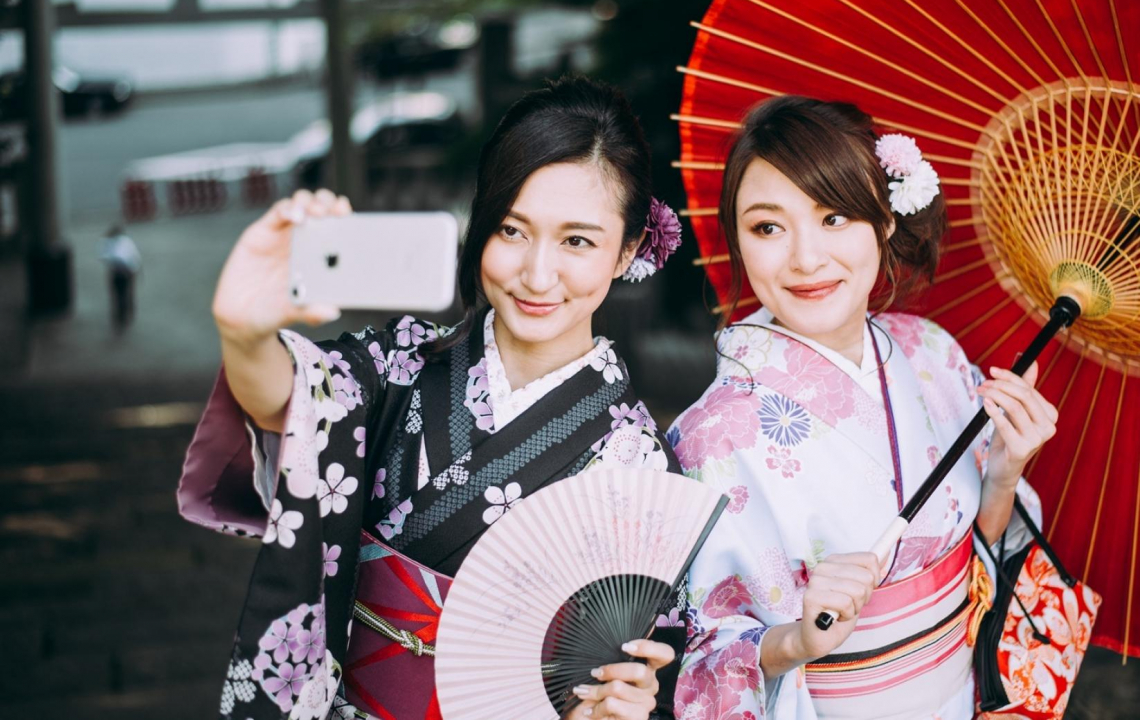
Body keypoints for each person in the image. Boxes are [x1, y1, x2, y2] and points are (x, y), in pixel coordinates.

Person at [178, 76, 686, 720]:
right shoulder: (400, 362)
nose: (537, 274)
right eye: (511, 230)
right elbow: (292, 400)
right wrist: (244, 335)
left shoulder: (637, 462)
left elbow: (638, 672)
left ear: (629, 249)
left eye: (577, 241)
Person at [670, 96, 1058, 720]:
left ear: (884, 221)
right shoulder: (711, 435)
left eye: (834, 217)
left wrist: (1004, 474)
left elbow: (982, 560)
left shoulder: (931, 353)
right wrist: (797, 640)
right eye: (767, 228)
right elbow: (700, 653)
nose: (805, 258)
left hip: (963, 696)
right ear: (738, 241)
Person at [99, 225, 141, 329]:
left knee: (118, 295)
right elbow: (135, 257)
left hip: (117, 272)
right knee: (126, 293)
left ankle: (121, 315)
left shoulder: (109, 242)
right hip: (128, 272)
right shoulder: (126, 241)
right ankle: (127, 312)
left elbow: (104, 256)